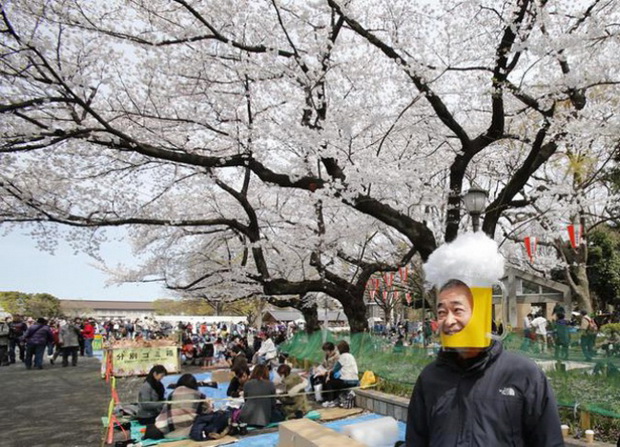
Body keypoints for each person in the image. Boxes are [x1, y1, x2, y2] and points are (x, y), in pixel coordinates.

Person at [406, 279, 563, 446]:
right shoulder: (430, 377)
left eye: (457, 310)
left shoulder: (523, 373)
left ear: (481, 313)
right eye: (442, 312)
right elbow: (416, 440)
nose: (448, 320)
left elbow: (550, 441)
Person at [148, 374, 210, 440]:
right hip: (188, 432)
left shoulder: (171, 394)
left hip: (167, 432)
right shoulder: (199, 395)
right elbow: (208, 411)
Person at [322, 340, 359, 408]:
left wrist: (327, 376)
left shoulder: (342, 357)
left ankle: (331, 400)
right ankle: (340, 397)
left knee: (329, 381)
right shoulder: (351, 356)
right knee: (335, 379)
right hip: (356, 380)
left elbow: (334, 370)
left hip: (346, 381)